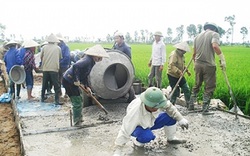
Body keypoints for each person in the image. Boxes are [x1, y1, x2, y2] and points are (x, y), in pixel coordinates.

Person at [113, 87, 188, 156]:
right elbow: (125, 130)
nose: (158, 108)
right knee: (147, 136)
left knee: (171, 117)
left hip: (152, 120)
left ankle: (171, 138)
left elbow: (169, 107)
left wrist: (180, 118)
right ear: (147, 104)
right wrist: (118, 150)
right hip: (138, 126)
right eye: (155, 107)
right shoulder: (135, 112)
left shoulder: (158, 101)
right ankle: (137, 142)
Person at [62, 44, 109, 126]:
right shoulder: (87, 60)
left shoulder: (91, 62)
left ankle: (79, 118)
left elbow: (85, 75)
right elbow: (75, 66)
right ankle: (77, 122)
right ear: (94, 55)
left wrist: (87, 87)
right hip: (69, 80)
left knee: (80, 98)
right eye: (99, 57)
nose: (100, 59)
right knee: (77, 101)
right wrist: (76, 80)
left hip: (73, 80)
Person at [188, 22, 226, 115]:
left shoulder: (197, 37)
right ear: (214, 29)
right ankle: (205, 109)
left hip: (197, 64)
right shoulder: (214, 34)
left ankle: (191, 105)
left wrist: (195, 64)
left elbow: (194, 53)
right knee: (209, 87)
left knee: (197, 84)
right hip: (209, 65)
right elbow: (215, 46)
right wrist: (222, 59)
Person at [40, 33, 62, 105]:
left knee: (44, 84)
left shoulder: (44, 47)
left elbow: (41, 57)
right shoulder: (58, 48)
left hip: (45, 68)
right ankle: (56, 101)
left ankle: (42, 98)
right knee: (56, 85)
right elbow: (60, 58)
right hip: (54, 69)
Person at [167, 41, 191, 107]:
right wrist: (179, 72)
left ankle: (189, 104)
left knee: (186, 88)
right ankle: (171, 105)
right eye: (184, 51)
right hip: (172, 75)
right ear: (181, 50)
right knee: (175, 91)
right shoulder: (174, 55)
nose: (185, 52)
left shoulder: (182, 56)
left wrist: (187, 71)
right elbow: (171, 65)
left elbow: (182, 65)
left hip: (180, 75)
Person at [113, 32, 136, 102]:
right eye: (115, 38)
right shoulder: (116, 46)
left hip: (123, 66)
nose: (116, 40)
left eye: (117, 38)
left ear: (122, 38)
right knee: (117, 79)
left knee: (125, 80)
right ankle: (119, 93)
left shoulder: (126, 47)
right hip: (116, 65)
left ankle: (130, 96)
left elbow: (128, 58)